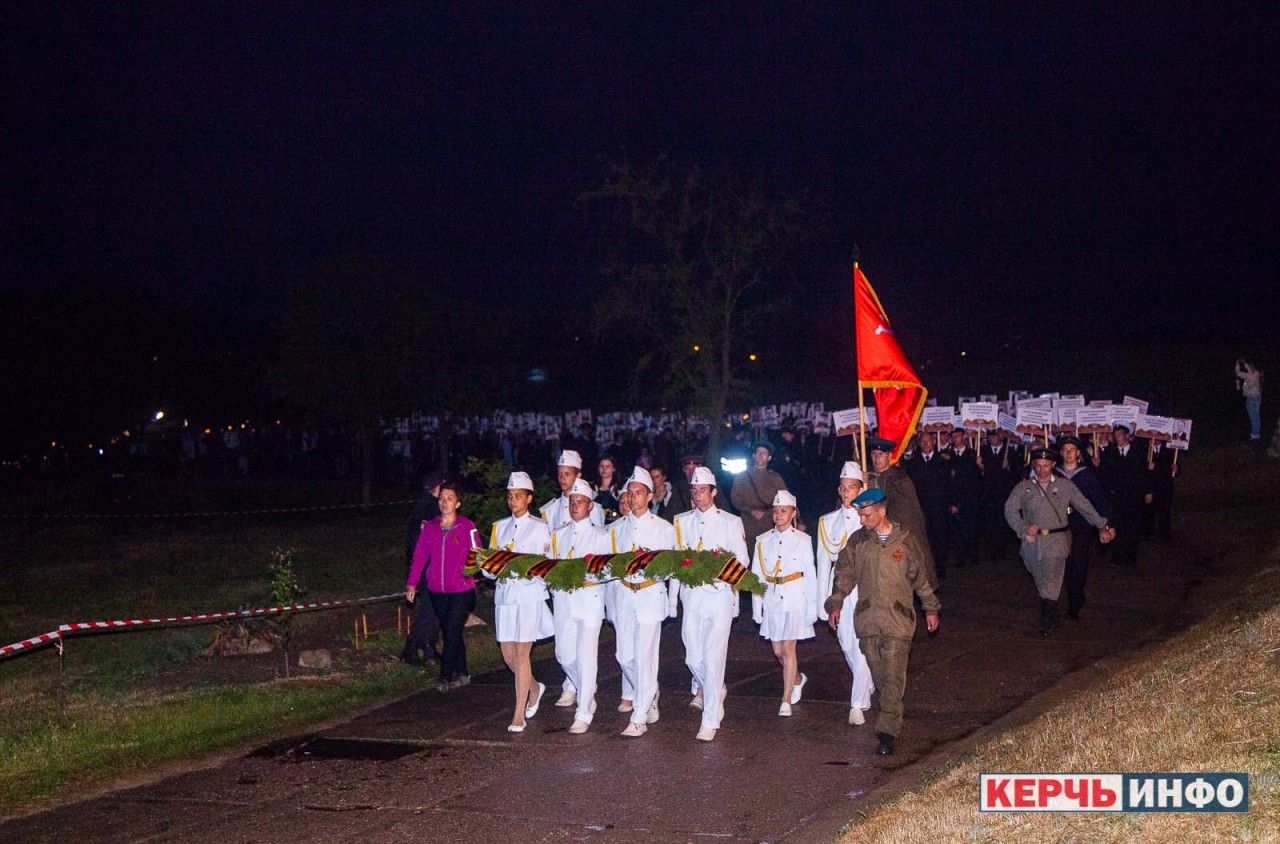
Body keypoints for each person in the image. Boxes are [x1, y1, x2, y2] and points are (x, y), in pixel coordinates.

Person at [826, 488, 940, 756]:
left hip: (898, 620)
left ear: (881, 511)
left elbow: (920, 577)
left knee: (892, 675)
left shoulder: (904, 540)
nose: (862, 520)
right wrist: (836, 602)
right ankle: (892, 709)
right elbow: (844, 574)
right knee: (880, 676)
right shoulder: (857, 542)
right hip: (868, 620)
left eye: (865, 515)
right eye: (860, 515)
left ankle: (887, 732)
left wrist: (931, 608)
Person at [674, 466, 750, 742]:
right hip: (692, 596)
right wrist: (675, 599)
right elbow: (675, 560)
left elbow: (742, 560)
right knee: (692, 656)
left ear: (714, 492)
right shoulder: (681, 522)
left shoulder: (730, 522)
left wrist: (718, 572)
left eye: (702, 490)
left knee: (713, 656)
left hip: (719, 595)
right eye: (694, 490)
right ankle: (716, 690)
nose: (697, 494)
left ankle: (710, 719)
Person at [1005, 448, 1116, 635]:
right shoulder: (1024, 487)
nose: (1042, 470)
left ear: (1053, 465)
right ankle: (1052, 612)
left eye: (1046, 466)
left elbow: (1085, 507)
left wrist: (1103, 525)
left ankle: (1047, 619)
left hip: (1056, 540)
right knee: (1041, 580)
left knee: (1052, 578)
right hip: (1032, 541)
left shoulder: (1065, 486)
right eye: (1038, 466)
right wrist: (1022, 527)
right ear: (1034, 466)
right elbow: (1009, 510)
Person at [607, 466, 678, 737]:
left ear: (649, 496)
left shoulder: (663, 528)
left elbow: (673, 568)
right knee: (624, 656)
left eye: (639, 493)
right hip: (625, 596)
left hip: (649, 596)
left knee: (645, 656)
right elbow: (611, 567)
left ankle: (639, 716)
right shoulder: (617, 529)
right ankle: (650, 691)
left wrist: (670, 600)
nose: (633, 497)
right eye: (630, 493)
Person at [485, 471, 555, 733]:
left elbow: (545, 567)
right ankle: (535, 688)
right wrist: (494, 565)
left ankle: (518, 714)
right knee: (508, 656)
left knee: (522, 653)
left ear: (529, 499)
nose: (513, 501)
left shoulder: (539, 528)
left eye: (518, 496)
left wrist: (524, 570)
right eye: (510, 496)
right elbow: (487, 569)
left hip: (527, 596)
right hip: (505, 597)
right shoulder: (499, 527)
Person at [549, 478, 612, 733]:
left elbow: (609, 570)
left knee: (586, 656)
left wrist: (586, 573)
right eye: (571, 502)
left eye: (580, 502)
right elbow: (549, 567)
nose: (575, 505)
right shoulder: (557, 535)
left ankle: (584, 710)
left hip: (590, 600)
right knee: (563, 655)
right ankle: (587, 688)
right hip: (564, 600)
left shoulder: (602, 535)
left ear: (590, 506)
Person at [816, 461, 875, 726]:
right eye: (844, 488)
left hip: (864, 586)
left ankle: (857, 704)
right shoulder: (827, 522)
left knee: (862, 644)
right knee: (847, 643)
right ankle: (867, 681)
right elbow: (822, 564)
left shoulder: (872, 520)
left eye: (852, 487)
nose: (847, 492)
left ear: (861, 489)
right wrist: (822, 602)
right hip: (839, 588)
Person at [405, 481, 479, 691]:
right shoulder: (430, 527)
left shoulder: (467, 526)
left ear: (458, 503)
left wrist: (469, 573)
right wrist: (412, 584)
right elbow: (419, 557)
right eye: (442, 499)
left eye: (450, 499)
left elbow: (477, 554)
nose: (445, 503)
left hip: (462, 590)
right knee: (450, 629)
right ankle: (463, 673)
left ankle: (444, 677)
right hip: (437, 589)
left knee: (451, 629)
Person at [751, 490, 818, 716]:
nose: (779, 515)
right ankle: (798, 678)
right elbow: (757, 577)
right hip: (772, 599)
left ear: (793, 514)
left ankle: (785, 699)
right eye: (776, 511)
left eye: (784, 511)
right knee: (778, 651)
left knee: (789, 648)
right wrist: (756, 607)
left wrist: (812, 607)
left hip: (794, 597)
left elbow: (810, 575)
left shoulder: (803, 541)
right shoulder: (762, 542)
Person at [864, 437, 938, 588]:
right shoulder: (868, 477)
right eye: (874, 454)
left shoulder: (900, 478)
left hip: (900, 535)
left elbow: (903, 510)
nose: (877, 459)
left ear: (889, 456)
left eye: (881, 454)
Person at [1054, 437, 1111, 620]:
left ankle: (1075, 602)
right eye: (1065, 449)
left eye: (1072, 449)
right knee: (1061, 564)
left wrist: (1106, 525)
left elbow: (1099, 501)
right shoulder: (1055, 474)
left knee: (1077, 563)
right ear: (1061, 452)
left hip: (1081, 525)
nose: (1069, 453)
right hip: (1059, 525)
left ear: (1079, 453)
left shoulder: (1086, 475)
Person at [400, 471, 443, 667]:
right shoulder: (429, 509)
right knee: (429, 610)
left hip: (431, 566)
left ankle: (428, 646)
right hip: (428, 567)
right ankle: (411, 647)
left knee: (435, 610)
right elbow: (419, 541)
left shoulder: (426, 506)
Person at [1098, 424, 1151, 568]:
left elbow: (1144, 474)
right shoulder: (1111, 453)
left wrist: (1147, 491)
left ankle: (1131, 557)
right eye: (1116, 435)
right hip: (1116, 497)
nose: (1118, 438)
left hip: (1133, 497)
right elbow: (1105, 473)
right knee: (1116, 526)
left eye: (1120, 434)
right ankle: (1117, 556)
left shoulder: (1138, 453)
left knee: (1133, 527)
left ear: (1128, 436)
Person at [903, 432, 950, 578]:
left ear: (934, 442)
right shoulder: (912, 463)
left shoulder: (943, 461)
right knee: (921, 541)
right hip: (919, 508)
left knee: (939, 540)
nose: (925, 444)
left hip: (938, 508)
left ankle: (940, 568)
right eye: (922, 442)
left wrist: (951, 504)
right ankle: (923, 570)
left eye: (928, 441)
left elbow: (949, 486)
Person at [731, 440, 788, 548]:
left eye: (764, 452)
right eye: (758, 452)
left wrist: (798, 520)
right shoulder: (742, 476)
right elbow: (735, 498)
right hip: (747, 524)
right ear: (753, 455)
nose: (760, 455)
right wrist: (750, 510)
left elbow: (785, 499)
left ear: (769, 457)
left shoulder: (775, 478)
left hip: (768, 525)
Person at [945, 429, 983, 569]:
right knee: (957, 530)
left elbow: (977, 479)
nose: (955, 438)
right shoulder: (947, 455)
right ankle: (960, 557)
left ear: (964, 437)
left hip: (970, 498)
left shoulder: (973, 454)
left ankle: (972, 555)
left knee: (971, 528)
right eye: (953, 436)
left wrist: (979, 467)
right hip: (954, 498)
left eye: (958, 436)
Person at [540, 450, 605, 530]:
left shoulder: (592, 508)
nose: (562, 478)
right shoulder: (550, 509)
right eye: (560, 474)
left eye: (567, 474)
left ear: (578, 476)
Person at [1235, 358, 1264, 441]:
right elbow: (1249, 370)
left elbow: (1238, 373)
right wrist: (1244, 363)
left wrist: (1237, 364)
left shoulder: (1249, 375)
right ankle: (1256, 433)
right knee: (1256, 416)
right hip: (1257, 397)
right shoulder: (1258, 374)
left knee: (1253, 417)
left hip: (1251, 398)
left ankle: (1255, 434)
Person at [596, 456, 622, 522]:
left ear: (613, 469)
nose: (604, 469)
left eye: (607, 466)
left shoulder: (619, 489)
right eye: (601, 466)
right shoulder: (592, 488)